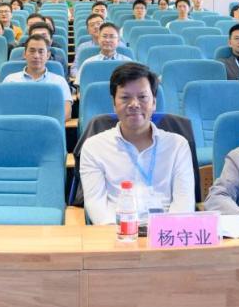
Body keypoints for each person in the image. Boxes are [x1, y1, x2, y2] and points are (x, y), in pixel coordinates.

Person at [78, 62, 195, 225]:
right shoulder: (94, 148)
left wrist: (163, 233)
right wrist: (124, 234)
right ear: (114, 103)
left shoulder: (177, 146)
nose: (134, 104)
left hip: (166, 234)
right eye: (125, 97)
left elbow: (184, 204)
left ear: (154, 102)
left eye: (142, 97)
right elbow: (96, 206)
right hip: (115, 233)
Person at [3, 35, 74, 120]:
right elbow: (2, 109)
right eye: (32, 51)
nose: (36, 56)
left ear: (48, 55)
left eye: (41, 52)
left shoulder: (59, 81)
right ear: (24, 54)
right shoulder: (10, 80)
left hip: (48, 126)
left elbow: (67, 112)